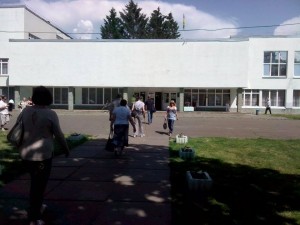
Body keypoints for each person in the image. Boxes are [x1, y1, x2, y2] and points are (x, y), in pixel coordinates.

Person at [18, 86, 70, 225]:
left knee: (35, 183)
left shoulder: (25, 111)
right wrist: (65, 148)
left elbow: (19, 129)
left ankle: (37, 207)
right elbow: (58, 134)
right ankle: (34, 217)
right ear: (48, 98)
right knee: (39, 185)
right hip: (42, 155)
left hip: (26, 153)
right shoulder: (50, 114)